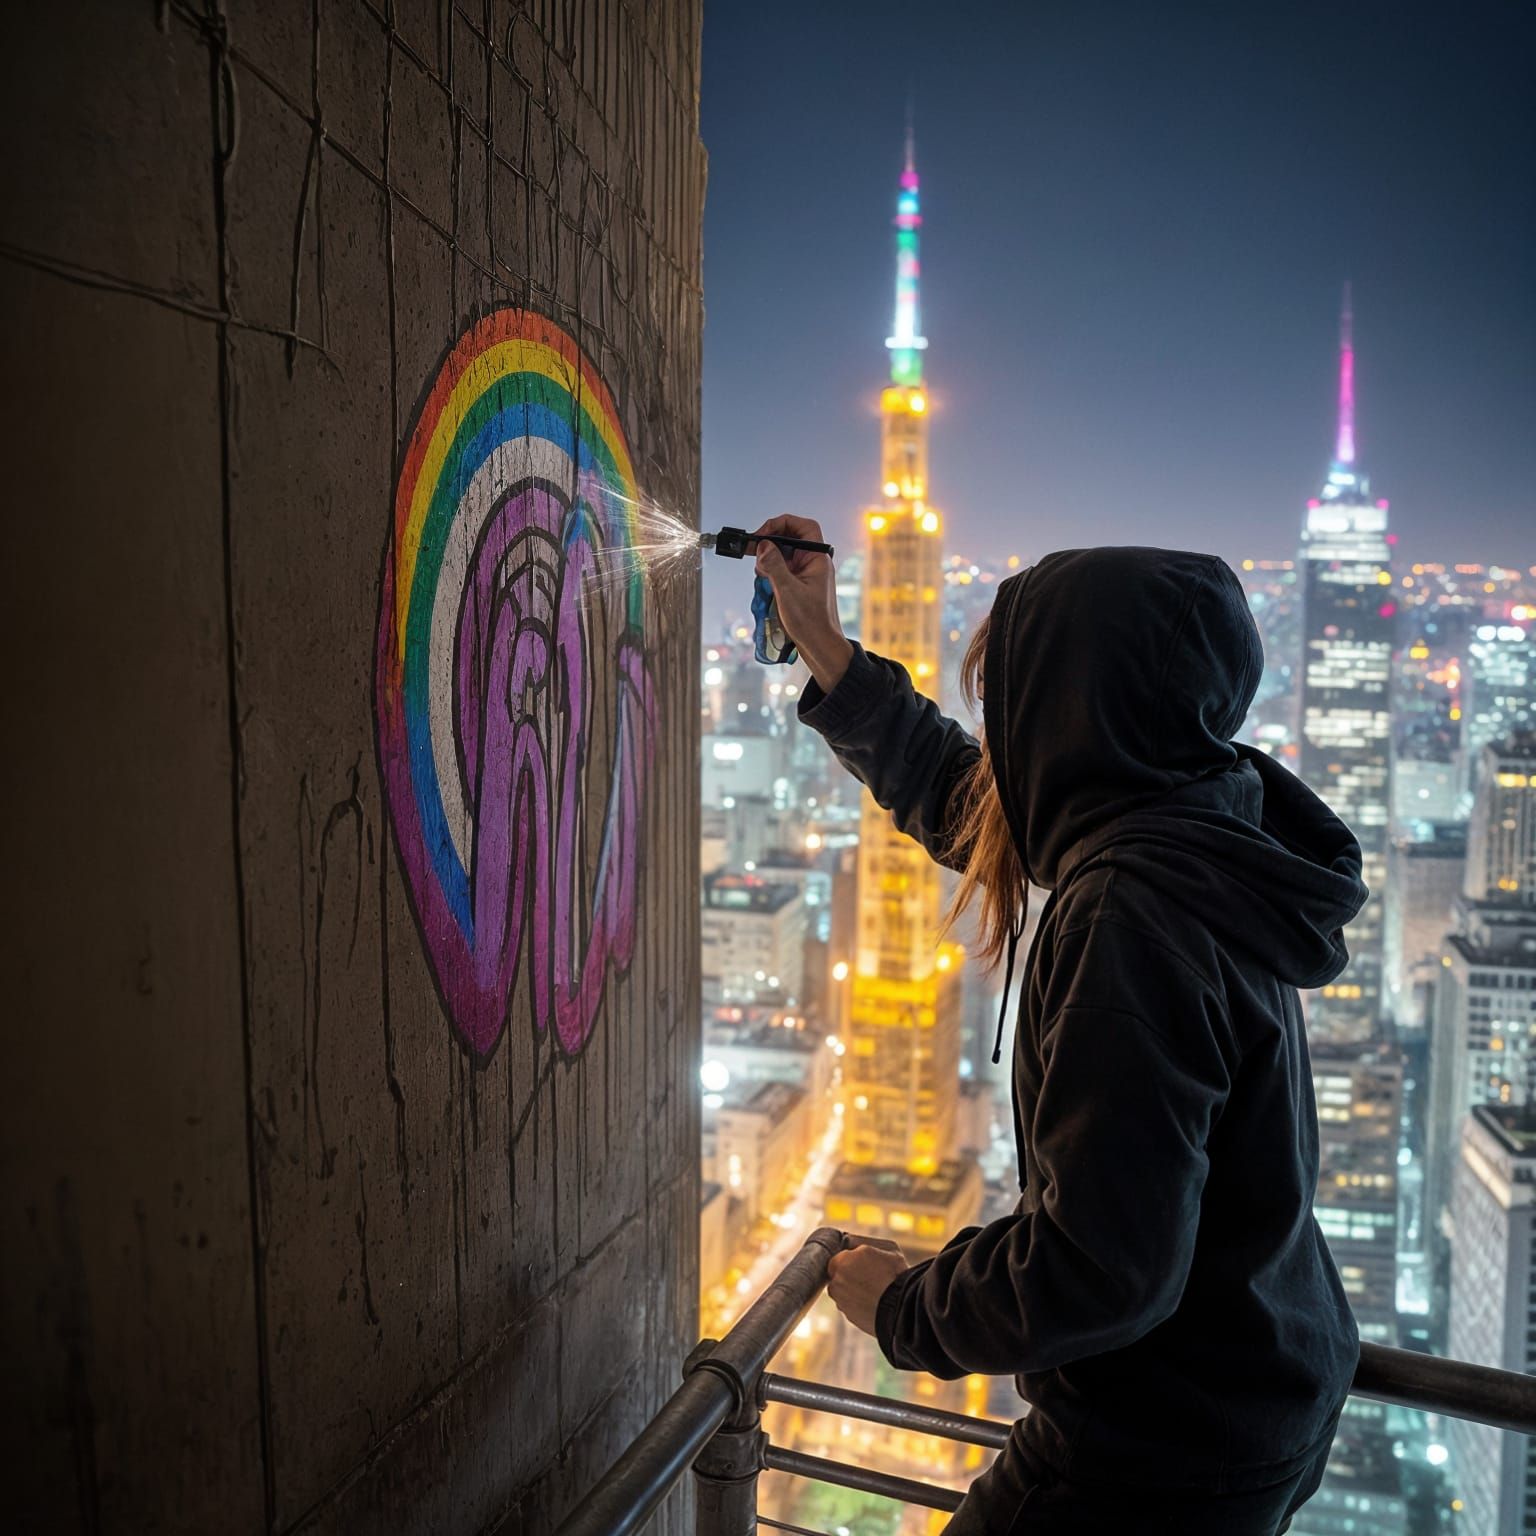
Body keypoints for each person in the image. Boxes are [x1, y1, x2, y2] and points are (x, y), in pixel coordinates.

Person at [751, 518, 1364, 1534]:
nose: (1003, 729)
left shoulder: (1132, 915)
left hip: (1153, 1445)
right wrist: (822, 642)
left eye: (1013, 697)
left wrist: (908, 1309)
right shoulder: (1201, 828)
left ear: (1078, 707)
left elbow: (1103, 1267)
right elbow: (976, 801)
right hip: (1254, 1388)